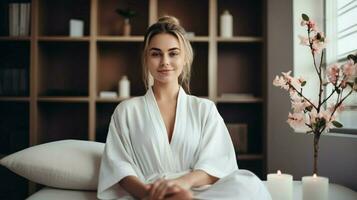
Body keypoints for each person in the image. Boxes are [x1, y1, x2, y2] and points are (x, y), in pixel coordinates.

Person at [97, 16, 271, 200]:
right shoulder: (127, 111)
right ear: (146, 58)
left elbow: (219, 163)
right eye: (156, 54)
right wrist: (149, 194)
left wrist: (183, 183)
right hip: (150, 192)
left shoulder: (204, 109)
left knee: (249, 183)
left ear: (185, 57)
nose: (165, 61)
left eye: (173, 53)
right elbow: (119, 166)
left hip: (194, 191)